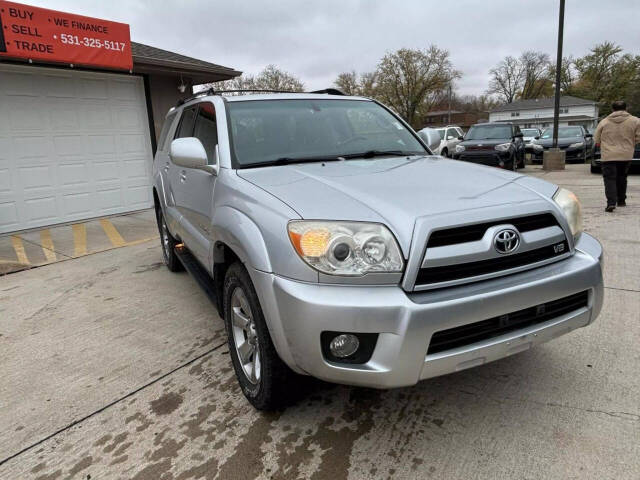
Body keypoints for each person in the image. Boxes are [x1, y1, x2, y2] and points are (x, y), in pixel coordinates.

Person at [594, 101, 640, 212]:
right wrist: (631, 144)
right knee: (622, 177)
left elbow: (597, 139)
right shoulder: (636, 121)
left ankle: (611, 203)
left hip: (609, 154)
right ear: (626, 108)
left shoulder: (604, 122)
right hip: (626, 154)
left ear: (612, 109)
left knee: (609, 178)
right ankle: (621, 201)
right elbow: (638, 137)